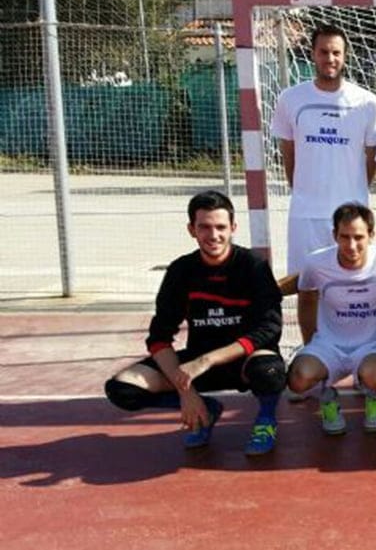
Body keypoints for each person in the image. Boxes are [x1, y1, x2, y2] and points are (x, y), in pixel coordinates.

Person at [103, 191, 286, 456]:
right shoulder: (181, 271)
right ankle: (207, 410)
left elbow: (269, 329)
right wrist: (186, 392)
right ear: (192, 229)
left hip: (243, 359)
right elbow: (159, 337)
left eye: (221, 227)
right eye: (205, 227)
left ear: (233, 228)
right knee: (122, 388)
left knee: (269, 371)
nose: (214, 236)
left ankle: (266, 420)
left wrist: (208, 360)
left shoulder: (253, 265)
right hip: (197, 365)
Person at [270, 24, 376, 275]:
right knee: (305, 285)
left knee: (352, 284)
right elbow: (288, 153)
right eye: (323, 52)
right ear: (312, 54)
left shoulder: (365, 101)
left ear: (345, 56)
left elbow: (373, 154)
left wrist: (354, 187)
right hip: (306, 213)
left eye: (336, 53)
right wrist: (304, 188)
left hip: (351, 214)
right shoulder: (291, 99)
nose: (330, 59)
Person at [286, 203, 376, 435]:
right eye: (345, 237)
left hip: (373, 344)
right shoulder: (315, 263)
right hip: (329, 344)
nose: (351, 245)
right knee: (298, 380)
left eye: (359, 237)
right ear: (334, 235)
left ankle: (375, 397)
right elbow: (307, 299)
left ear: (371, 235)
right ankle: (327, 395)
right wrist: (311, 343)